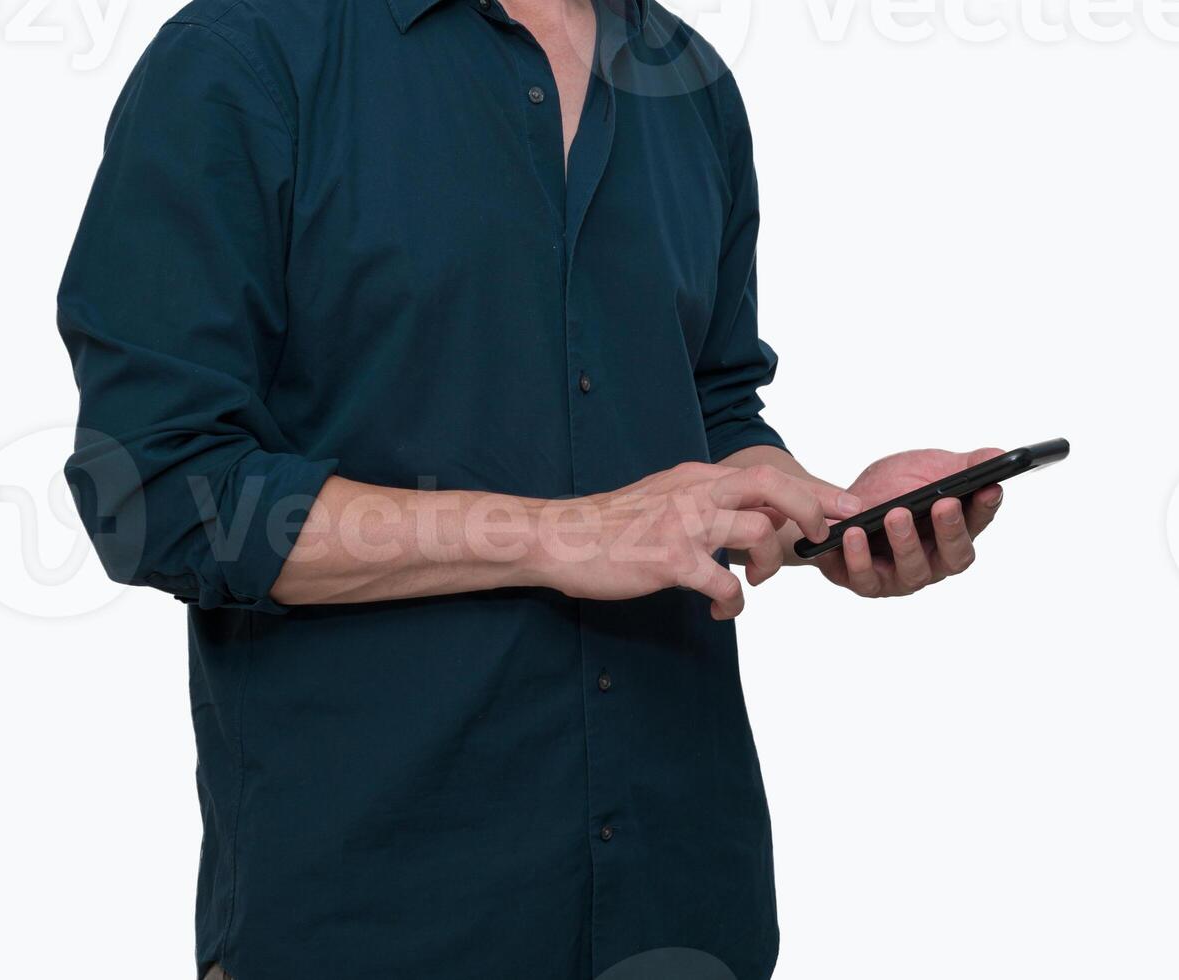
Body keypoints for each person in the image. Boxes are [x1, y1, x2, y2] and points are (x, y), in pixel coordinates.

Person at [57, 0, 1009, 974]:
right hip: (374, 916)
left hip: (680, 901)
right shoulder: (240, 55)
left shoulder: (687, 80)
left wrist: (823, 512)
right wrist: (554, 535)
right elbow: (158, 487)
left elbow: (711, 406)